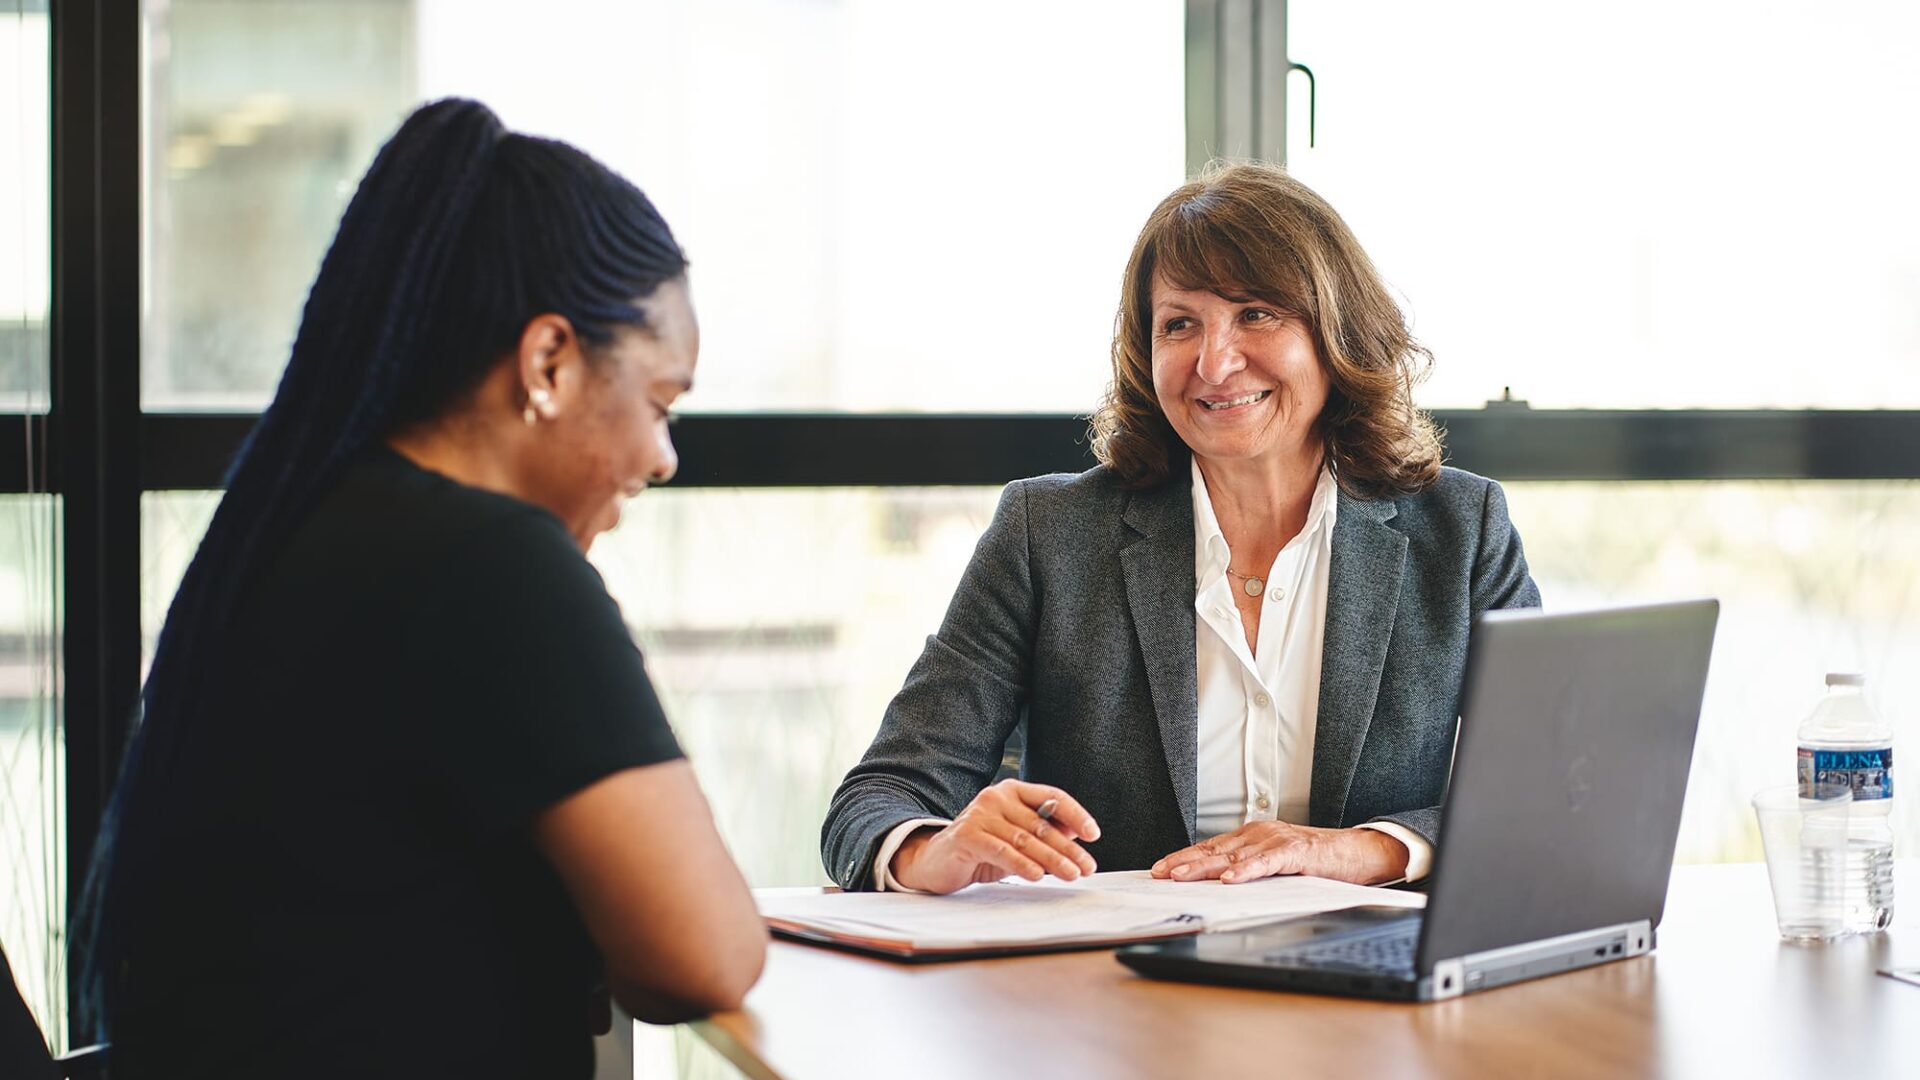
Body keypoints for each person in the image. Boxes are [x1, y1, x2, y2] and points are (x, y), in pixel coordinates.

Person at [77, 99, 766, 1078]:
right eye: (659, 404)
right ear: (549, 363)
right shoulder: (494, 566)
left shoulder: (306, 522)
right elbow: (703, 956)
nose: (662, 459)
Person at [822, 162, 1540, 895]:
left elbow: (1543, 796)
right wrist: (930, 847)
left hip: (1369, 981)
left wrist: (1358, 852)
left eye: (1256, 314)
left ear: (1337, 331)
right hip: (1114, 987)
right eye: (1180, 324)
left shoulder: (1463, 529)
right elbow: (875, 801)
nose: (1214, 362)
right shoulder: (1048, 535)